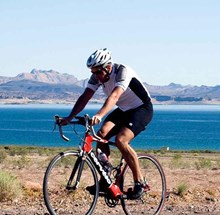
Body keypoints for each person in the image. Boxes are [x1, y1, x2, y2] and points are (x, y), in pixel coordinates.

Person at [59, 48, 153, 199]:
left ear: (108, 67)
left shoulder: (122, 71)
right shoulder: (97, 76)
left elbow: (115, 96)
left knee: (121, 140)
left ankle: (140, 182)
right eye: (92, 72)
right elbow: (85, 97)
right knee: (101, 134)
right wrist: (70, 117)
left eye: (98, 72)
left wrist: (100, 115)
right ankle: (106, 179)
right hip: (124, 110)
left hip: (141, 109)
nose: (95, 76)